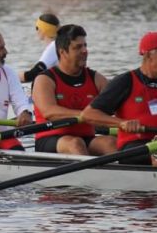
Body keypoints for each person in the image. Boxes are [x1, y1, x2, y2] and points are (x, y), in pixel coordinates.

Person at [81, 32, 157, 166]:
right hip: (135, 147)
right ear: (149, 55)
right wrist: (121, 123)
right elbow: (89, 114)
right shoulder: (125, 81)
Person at [32, 24, 117, 155]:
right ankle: (91, 174)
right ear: (62, 52)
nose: (84, 50)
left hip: (86, 137)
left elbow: (118, 108)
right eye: (78, 47)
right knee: (75, 144)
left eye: (85, 45)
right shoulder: (45, 79)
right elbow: (50, 112)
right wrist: (87, 115)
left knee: (111, 143)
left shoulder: (97, 79)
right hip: (50, 138)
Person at [19, 13, 60, 83]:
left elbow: (33, 74)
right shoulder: (59, 44)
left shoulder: (53, 47)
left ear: (42, 30)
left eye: (37, 28)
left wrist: (11, 77)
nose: (36, 31)